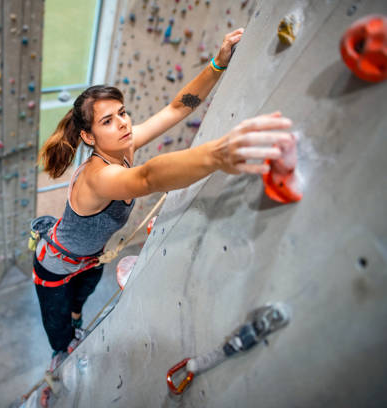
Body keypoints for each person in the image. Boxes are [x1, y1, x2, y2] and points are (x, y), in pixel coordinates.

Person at [34, 28, 295, 367]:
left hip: (90, 257)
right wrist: (215, 156)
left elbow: (176, 108)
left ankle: (76, 318)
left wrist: (217, 63)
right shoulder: (99, 177)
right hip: (55, 265)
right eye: (108, 121)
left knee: (79, 302)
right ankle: (60, 355)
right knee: (61, 332)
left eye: (122, 113)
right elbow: (147, 177)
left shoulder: (124, 147)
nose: (124, 124)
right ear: (88, 136)